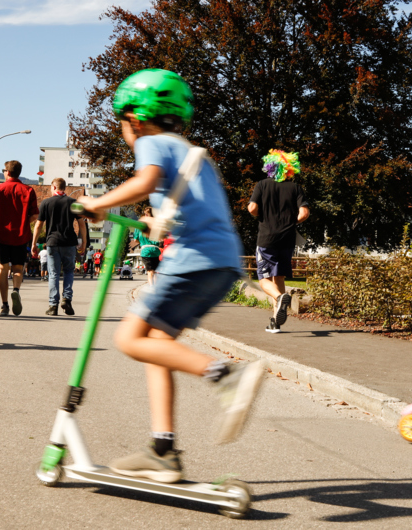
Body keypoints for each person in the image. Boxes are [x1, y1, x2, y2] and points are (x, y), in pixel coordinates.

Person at [77, 68, 263, 484]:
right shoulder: (191, 153)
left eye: (123, 123)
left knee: (128, 338)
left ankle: (226, 374)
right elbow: (188, 207)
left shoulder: (152, 144)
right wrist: (152, 223)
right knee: (156, 344)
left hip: (193, 260)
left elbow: (147, 180)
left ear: (136, 118)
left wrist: (100, 204)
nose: (125, 132)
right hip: (221, 263)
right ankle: (163, 450)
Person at [247, 149, 309, 333]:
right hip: (287, 239)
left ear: (270, 166)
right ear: (290, 168)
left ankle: (280, 297)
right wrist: (290, 222)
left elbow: (252, 208)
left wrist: (262, 217)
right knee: (279, 276)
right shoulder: (296, 188)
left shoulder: (262, 185)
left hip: (267, 239)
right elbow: (304, 213)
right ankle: (275, 322)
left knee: (264, 279)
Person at [0, 160, 39, 316]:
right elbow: (35, 215)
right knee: (17, 268)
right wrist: (22, 222)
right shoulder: (28, 190)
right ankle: (16, 289)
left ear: (7, 172)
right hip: (21, 235)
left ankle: (4, 305)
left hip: (2, 234)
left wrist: (0, 221)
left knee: (2, 269)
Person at [31, 177, 87, 316]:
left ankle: (53, 305)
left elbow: (38, 225)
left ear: (54, 187)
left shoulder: (46, 203)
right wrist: (83, 242)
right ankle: (66, 299)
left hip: (52, 242)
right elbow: (81, 224)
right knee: (68, 272)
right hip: (69, 243)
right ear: (64, 188)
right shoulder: (74, 202)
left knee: (54, 274)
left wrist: (34, 243)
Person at [134, 207, 162, 285]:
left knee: (150, 272)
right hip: (155, 250)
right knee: (155, 271)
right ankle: (156, 288)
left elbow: (135, 240)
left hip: (145, 250)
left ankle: (151, 288)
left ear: (145, 214)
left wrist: (143, 241)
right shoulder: (156, 224)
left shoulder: (139, 225)